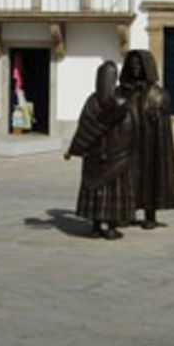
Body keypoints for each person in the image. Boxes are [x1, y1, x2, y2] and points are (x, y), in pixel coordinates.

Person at [64, 61, 136, 240]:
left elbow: (125, 130)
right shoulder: (104, 102)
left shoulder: (104, 102)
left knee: (103, 191)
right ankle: (103, 226)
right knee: (105, 190)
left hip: (108, 155)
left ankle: (101, 226)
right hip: (108, 155)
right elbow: (86, 126)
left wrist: (77, 148)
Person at [119, 49, 174, 228]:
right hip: (128, 143)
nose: (136, 68)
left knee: (149, 177)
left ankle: (150, 215)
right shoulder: (123, 92)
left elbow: (162, 126)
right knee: (127, 178)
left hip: (149, 143)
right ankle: (126, 212)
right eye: (133, 64)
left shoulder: (158, 94)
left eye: (139, 64)